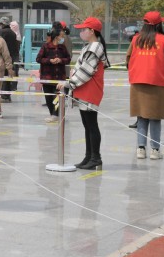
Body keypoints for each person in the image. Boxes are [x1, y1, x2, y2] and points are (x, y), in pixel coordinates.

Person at [57, 17, 111, 170]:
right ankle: (89, 157)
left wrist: (68, 83)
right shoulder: (90, 46)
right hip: (84, 89)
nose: (81, 32)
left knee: (91, 125)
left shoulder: (95, 48)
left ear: (92, 31)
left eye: (83, 29)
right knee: (88, 126)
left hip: (90, 90)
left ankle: (95, 158)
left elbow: (86, 72)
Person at [127, 11, 164, 159]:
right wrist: (161, 66)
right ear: (159, 24)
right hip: (157, 82)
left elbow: (128, 58)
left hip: (138, 81)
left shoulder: (136, 39)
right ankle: (155, 150)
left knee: (141, 116)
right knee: (155, 117)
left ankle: (141, 149)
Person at [36, 29, 70, 123]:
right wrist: (49, 60)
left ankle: (56, 115)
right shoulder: (46, 46)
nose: (63, 38)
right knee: (48, 99)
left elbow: (68, 59)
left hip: (59, 78)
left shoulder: (62, 47)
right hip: (47, 77)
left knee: (58, 97)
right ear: (56, 37)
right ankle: (53, 114)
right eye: (61, 36)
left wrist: (61, 60)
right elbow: (38, 59)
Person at [0, 17, 18, 101]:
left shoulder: (2, 32)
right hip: (12, 57)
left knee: (3, 77)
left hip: (3, 57)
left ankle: (4, 96)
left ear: (2, 24)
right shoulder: (13, 33)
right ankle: (7, 95)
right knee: (8, 77)